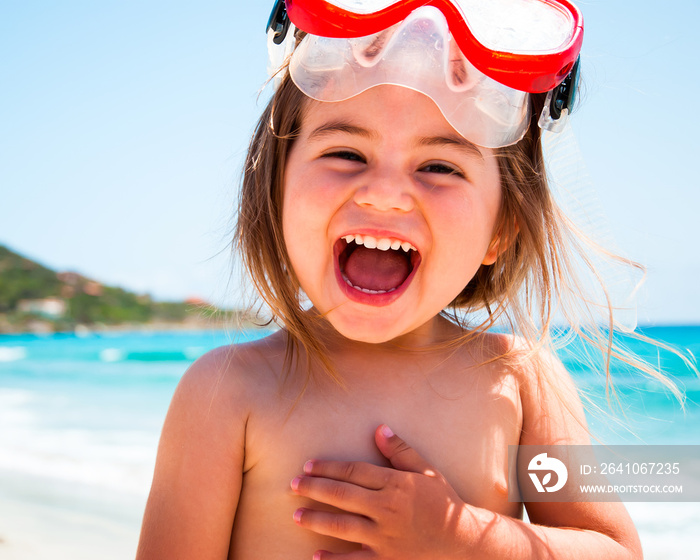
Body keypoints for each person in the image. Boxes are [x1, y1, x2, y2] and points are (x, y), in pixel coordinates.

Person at [136, 1, 653, 558]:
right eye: (345, 152)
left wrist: (461, 540)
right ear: (276, 188)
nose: (384, 192)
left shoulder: (523, 382)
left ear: (501, 226)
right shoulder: (227, 393)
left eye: (439, 167)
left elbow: (615, 551)